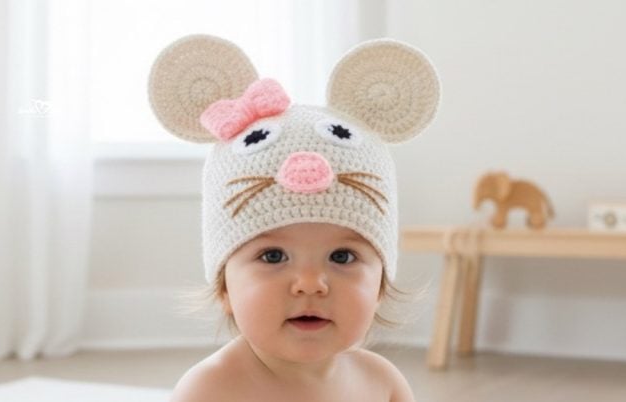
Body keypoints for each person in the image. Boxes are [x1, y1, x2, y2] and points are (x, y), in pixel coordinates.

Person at [148, 34, 440, 402]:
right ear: (224, 289)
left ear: (380, 285)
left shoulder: (382, 383)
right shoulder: (210, 390)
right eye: (273, 256)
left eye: (342, 256)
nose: (310, 284)